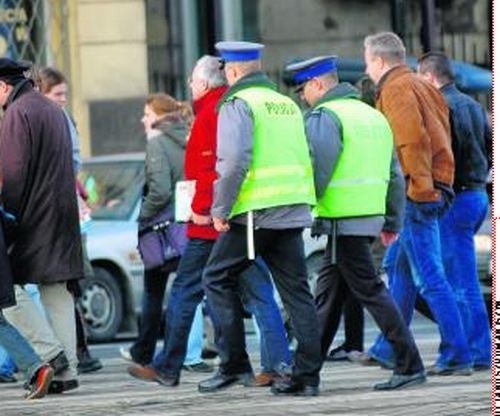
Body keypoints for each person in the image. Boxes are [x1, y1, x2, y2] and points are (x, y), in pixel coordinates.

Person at [127, 55, 291, 388]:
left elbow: (211, 169)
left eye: (191, 81)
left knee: (186, 291)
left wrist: (203, 211)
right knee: (255, 291)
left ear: (203, 83)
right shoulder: (233, 105)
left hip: (210, 223)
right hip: (242, 217)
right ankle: (273, 363)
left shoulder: (210, 115)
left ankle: (171, 366)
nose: (189, 86)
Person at [286, 55, 425, 390]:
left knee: (371, 290)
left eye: (305, 88)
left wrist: (303, 206)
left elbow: (318, 166)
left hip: (341, 218)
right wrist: (392, 218)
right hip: (366, 218)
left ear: (318, 84)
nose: (304, 95)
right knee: (329, 296)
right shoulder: (371, 115)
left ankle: (409, 364)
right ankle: (306, 374)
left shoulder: (326, 115)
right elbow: (393, 173)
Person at [197, 42, 321, 397]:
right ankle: (307, 376)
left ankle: (234, 364)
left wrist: (220, 209)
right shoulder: (286, 103)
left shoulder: (239, 103)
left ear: (232, 71)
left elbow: (234, 160)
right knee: (297, 292)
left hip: (255, 214)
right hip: (291, 210)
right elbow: (308, 154)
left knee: (216, 277)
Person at [363, 32, 472, 374]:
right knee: (401, 271)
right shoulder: (423, 84)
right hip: (433, 187)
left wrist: (414, 191)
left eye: (367, 61)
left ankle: (458, 354)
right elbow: (442, 135)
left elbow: (409, 144)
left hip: (416, 192)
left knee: (429, 278)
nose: (367, 69)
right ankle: (388, 347)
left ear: (379, 61)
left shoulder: (396, 89)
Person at [0, 57, 83, 393]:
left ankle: (52, 355)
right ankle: (68, 373)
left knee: (7, 293)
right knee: (57, 293)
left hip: (33, 220)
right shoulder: (52, 109)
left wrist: (9, 218)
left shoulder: (18, 114)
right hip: (62, 215)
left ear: (3, 86)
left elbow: (14, 174)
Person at [416, 51, 491, 370]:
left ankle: (478, 351)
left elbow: (444, 156)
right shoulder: (474, 105)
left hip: (455, 199)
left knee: (460, 281)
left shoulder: (440, 106)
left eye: (421, 79)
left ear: (431, 78)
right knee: (459, 278)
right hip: (476, 196)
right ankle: (474, 348)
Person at [37, 66, 102, 374]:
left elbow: (74, 161)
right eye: (57, 94)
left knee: (64, 285)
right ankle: (68, 355)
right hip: (58, 212)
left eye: (65, 94)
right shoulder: (42, 117)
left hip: (60, 215)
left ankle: (69, 354)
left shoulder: (61, 119)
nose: (63, 99)